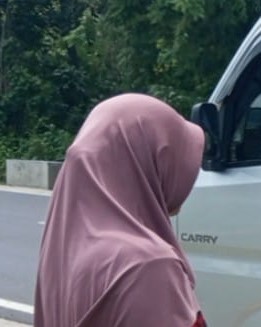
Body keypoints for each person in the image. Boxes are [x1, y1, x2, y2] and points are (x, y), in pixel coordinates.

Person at [34, 93, 207, 327]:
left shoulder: (63, 252)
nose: (187, 177)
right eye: (174, 159)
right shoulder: (147, 266)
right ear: (148, 161)